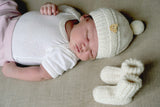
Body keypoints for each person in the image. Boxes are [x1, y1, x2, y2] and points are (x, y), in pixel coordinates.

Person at [0, 0, 144, 81]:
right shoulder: (70, 13)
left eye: (92, 52)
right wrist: (48, 6)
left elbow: (42, 73)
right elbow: (47, 12)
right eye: (87, 37)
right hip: (10, 15)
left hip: (4, 44)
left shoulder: (67, 55)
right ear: (85, 18)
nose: (84, 48)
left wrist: (13, 72)